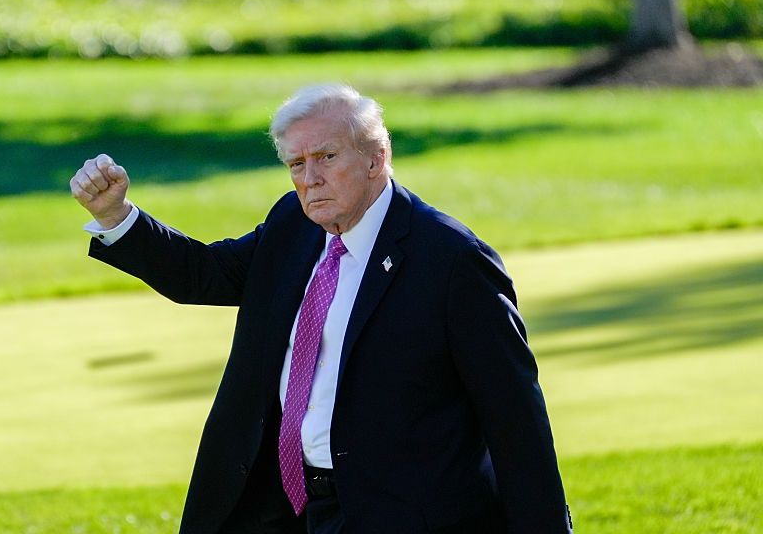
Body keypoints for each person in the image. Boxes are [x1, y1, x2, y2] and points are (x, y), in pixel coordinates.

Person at [70, 84, 571, 533]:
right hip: (281, 503)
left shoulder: (453, 261)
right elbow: (204, 275)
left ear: (375, 159)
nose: (309, 179)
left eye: (326, 157)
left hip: (396, 513)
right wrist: (116, 216)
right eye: (295, 163)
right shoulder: (294, 223)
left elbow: (516, 420)